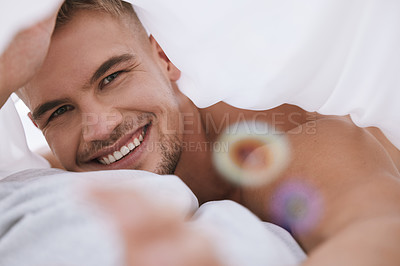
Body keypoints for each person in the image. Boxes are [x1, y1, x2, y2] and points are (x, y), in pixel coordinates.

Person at [8, 0, 400, 265]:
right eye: (59, 111)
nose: (100, 125)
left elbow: (379, 226)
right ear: (37, 126)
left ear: (163, 59)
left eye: (111, 77)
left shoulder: (283, 140)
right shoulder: (51, 186)